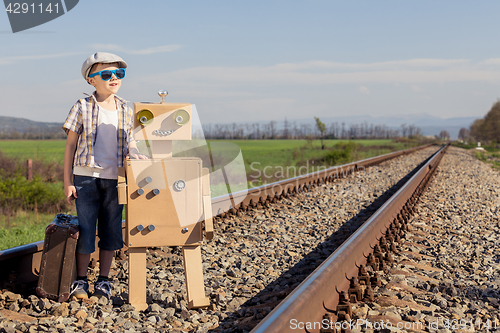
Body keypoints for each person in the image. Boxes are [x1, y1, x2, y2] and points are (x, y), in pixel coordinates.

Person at [63, 52, 146, 299]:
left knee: (111, 230)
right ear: (92, 80)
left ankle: (104, 280)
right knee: (86, 229)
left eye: (119, 73)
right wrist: (67, 181)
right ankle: (80, 281)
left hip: (115, 178)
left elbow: (131, 140)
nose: (114, 78)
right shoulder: (82, 106)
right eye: (107, 74)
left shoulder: (125, 109)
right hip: (85, 177)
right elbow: (70, 145)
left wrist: (135, 153)